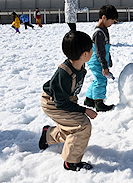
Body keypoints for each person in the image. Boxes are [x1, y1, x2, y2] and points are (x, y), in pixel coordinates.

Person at [39, 30, 97, 171]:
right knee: (82, 125)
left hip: (65, 100)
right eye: (91, 49)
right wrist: (84, 110)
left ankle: (48, 135)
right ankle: (71, 162)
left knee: (73, 127)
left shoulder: (79, 64)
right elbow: (61, 103)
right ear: (85, 54)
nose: (92, 51)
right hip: (53, 103)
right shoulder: (64, 74)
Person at [84, 5, 118, 112]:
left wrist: (109, 59)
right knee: (101, 79)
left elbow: (106, 47)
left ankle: (89, 100)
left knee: (97, 79)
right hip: (96, 61)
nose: (112, 23)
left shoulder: (104, 30)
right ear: (104, 18)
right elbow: (99, 51)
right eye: (111, 21)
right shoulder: (99, 33)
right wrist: (104, 66)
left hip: (100, 60)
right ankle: (99, 103)